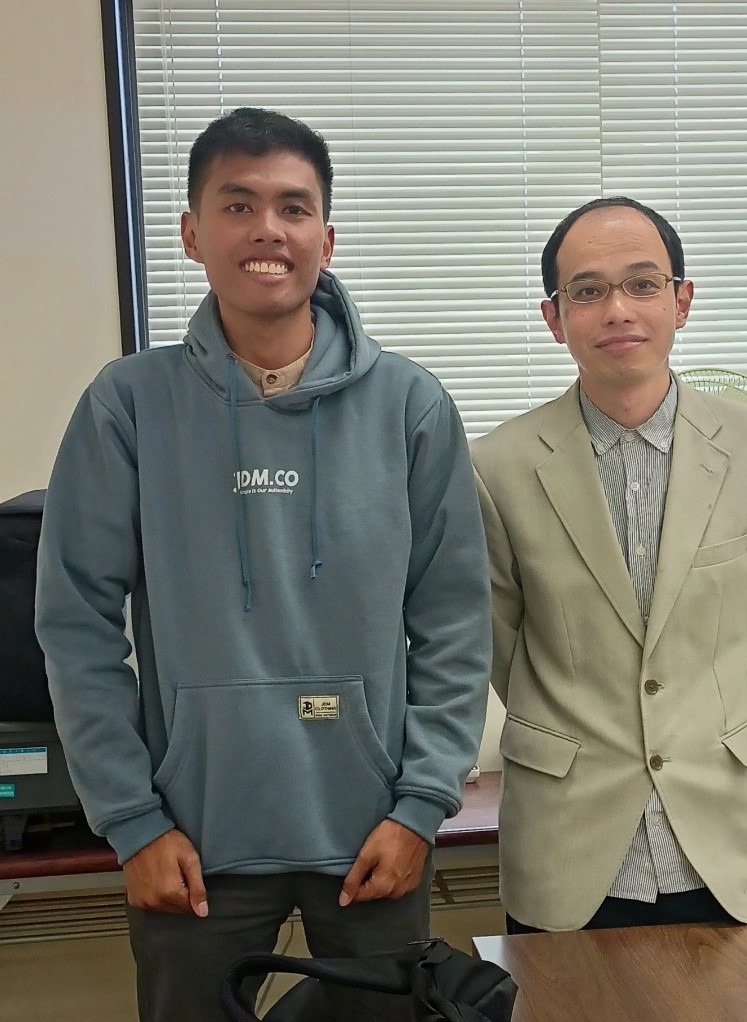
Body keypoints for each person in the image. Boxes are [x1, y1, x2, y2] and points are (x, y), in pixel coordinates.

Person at [35, 108, 491, 1021]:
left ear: (328, 236)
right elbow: (75, 624)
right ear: (191, 233)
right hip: (189, 839)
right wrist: (132, 820)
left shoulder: (409, 405)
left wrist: (420, 805)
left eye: (292, 207)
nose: (267, 230)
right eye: (237, 205)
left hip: (374, 836)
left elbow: (454, 620)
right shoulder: (129, 405)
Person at [471, 197, 747, 933]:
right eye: (588, 291)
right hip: (570, 841)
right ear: (554, 318)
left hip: (727, 835)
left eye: (642, 284)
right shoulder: (495, 468)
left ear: (680, 301)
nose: (617, 309)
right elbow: (502, 645)